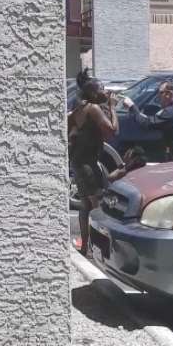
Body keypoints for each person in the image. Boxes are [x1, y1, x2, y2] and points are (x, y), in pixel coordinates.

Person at [68, 78, 119, 255]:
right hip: (87, 164)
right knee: (97, 205)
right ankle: (99, 248)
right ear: (92, 93)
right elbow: (112, 130)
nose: (105, 92)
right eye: (102, 89)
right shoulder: (94, 108)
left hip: (78, 161)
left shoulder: (79, 109)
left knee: (85, 205)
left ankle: (85, 247)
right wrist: (112, 107)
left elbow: (71, 129)